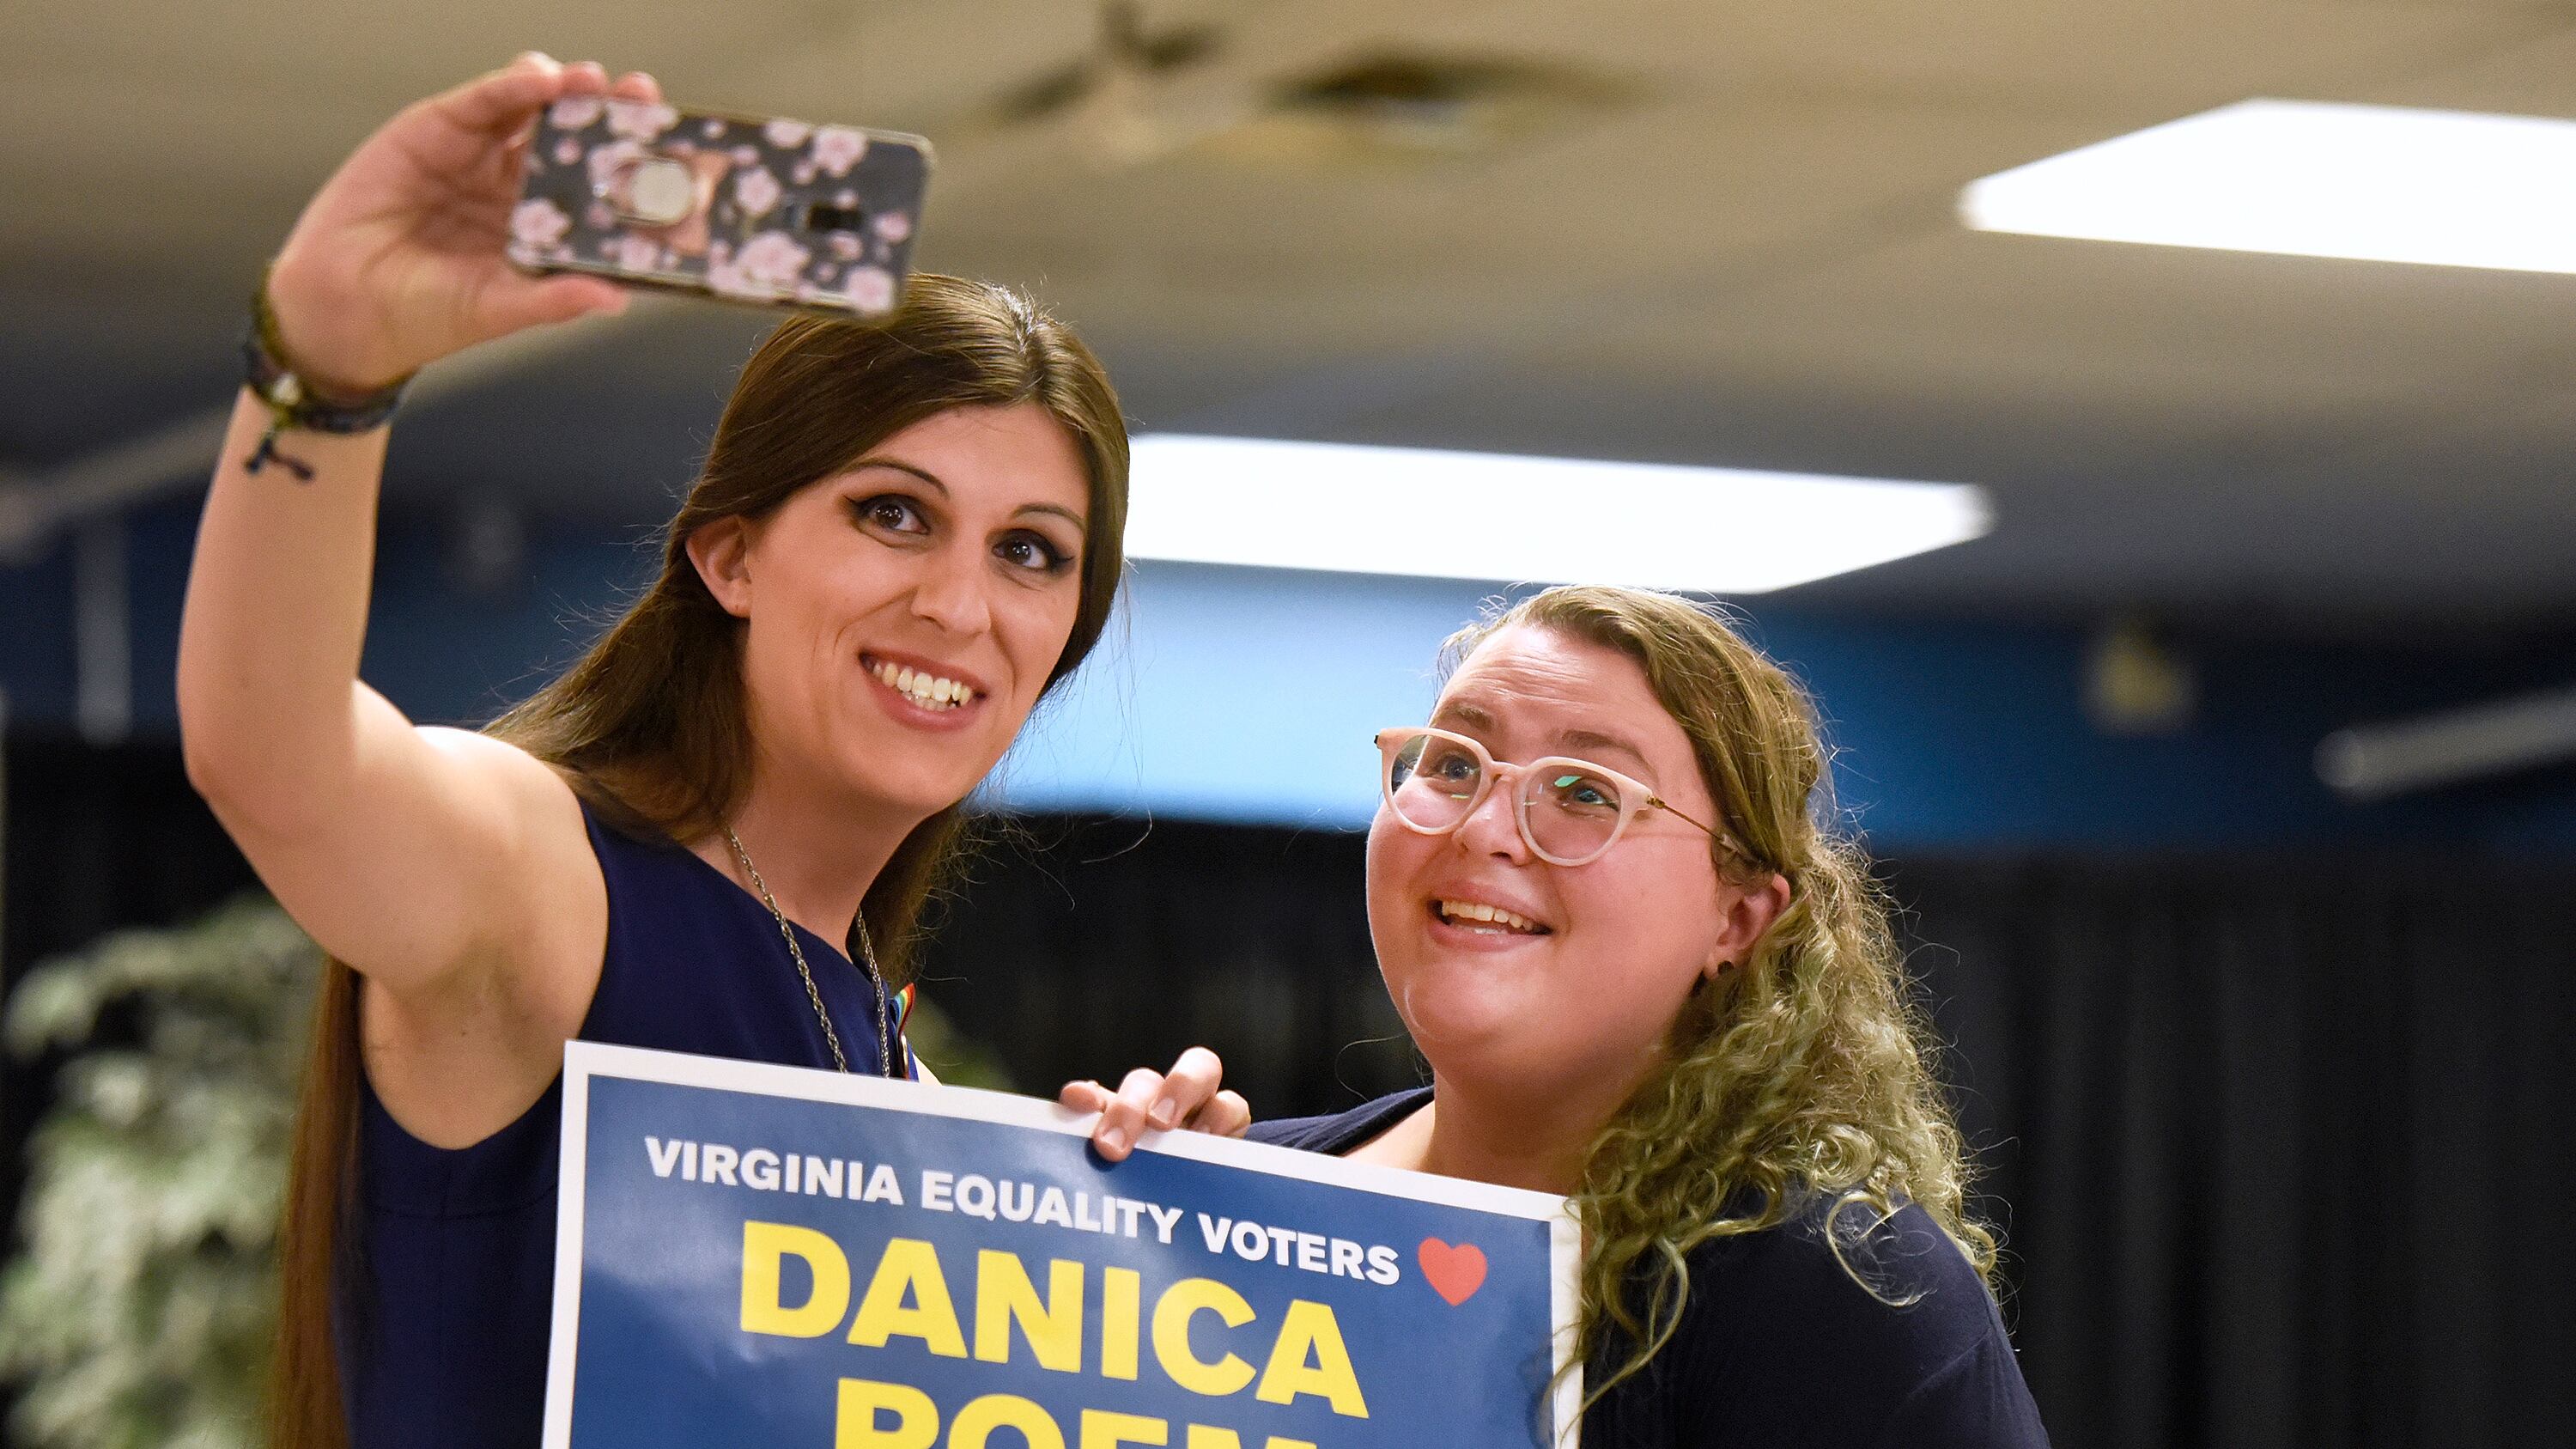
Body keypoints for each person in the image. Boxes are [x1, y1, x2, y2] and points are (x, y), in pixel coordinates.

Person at [176, 55, 1243, 1449]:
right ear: (730, 556)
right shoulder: (552, 880)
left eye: (1030, 553)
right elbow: (276, 757)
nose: (961, 605)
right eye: (894, 514)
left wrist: (1164, 1251)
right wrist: (323, 371)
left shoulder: (875, 1042)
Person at [1080, 585, 2049, 1446]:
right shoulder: (1248, 1201)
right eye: (1454, 765)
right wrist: (1081, 1220)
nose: (1484, 827)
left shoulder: (1839, 1290)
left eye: (1585, 791)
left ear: (1739, 916)